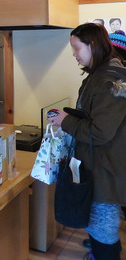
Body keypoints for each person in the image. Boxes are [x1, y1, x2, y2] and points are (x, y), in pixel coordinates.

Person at [48, 23, 126, 259]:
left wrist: (66, 122)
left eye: (76, 47)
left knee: (103, 228)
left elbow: (101, 132)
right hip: (99, 163)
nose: (74, 54)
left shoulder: (108, 79)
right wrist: (70, 118)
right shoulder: (101, 74)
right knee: (98, 225)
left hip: (105, 168)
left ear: (92, 45)